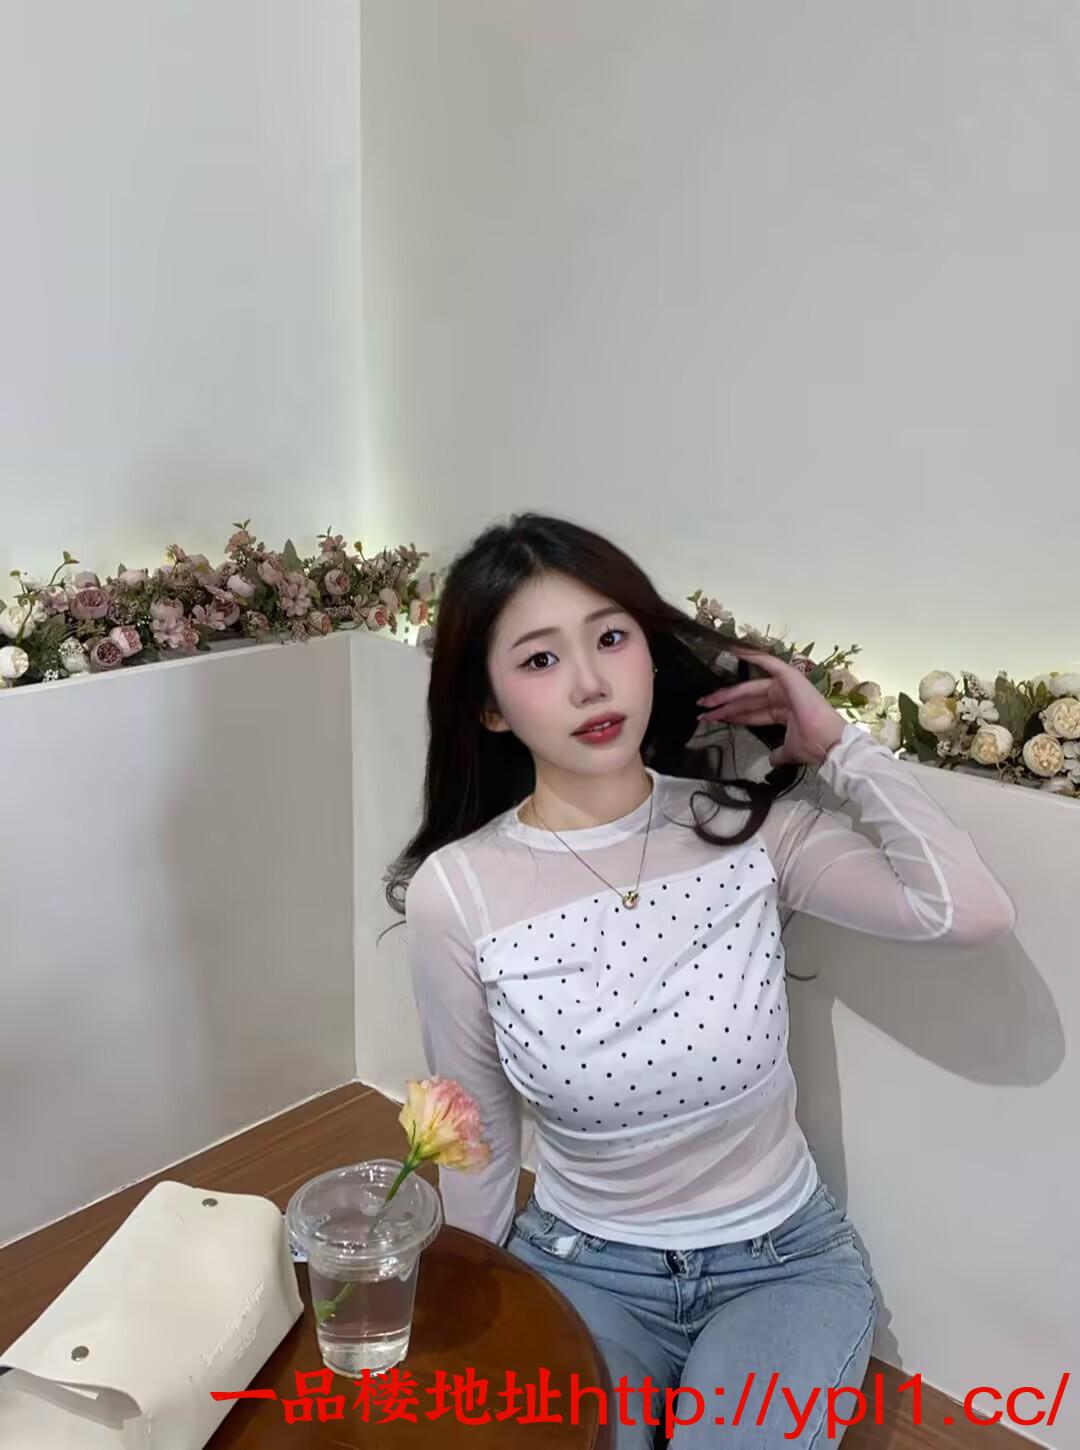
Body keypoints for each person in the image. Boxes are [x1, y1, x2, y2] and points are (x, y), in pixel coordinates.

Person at [380, 511, 1017, 1448]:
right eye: (540, 659)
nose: (591, 682)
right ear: (489, 706)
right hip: (581, 1268)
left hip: (781, 1265)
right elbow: (474, 1132)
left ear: (648, 651)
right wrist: (467, 1301)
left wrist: (838, 747)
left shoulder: (748, 828)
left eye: (610, 638)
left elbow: (964, 910)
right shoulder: (459, 891)